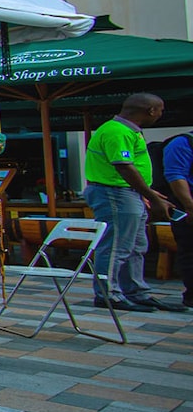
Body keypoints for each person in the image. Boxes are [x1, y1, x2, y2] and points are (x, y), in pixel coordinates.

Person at [83, 93, 175, 312]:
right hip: (115, 194)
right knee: (116, 246)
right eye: (160, 110)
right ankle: (108, 294)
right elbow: (124, 166)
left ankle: (136, 292)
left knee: (136, 246)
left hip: (128, 193)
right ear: (151, 110)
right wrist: (152, 196)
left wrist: (147, 191)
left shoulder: (129, 131)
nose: (161, 114)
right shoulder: (117, 131)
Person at [159, 129, 193, 309]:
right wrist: (189, 206)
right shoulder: (182, 143)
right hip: (186, 206)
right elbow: (175, 175)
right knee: (190, 250)